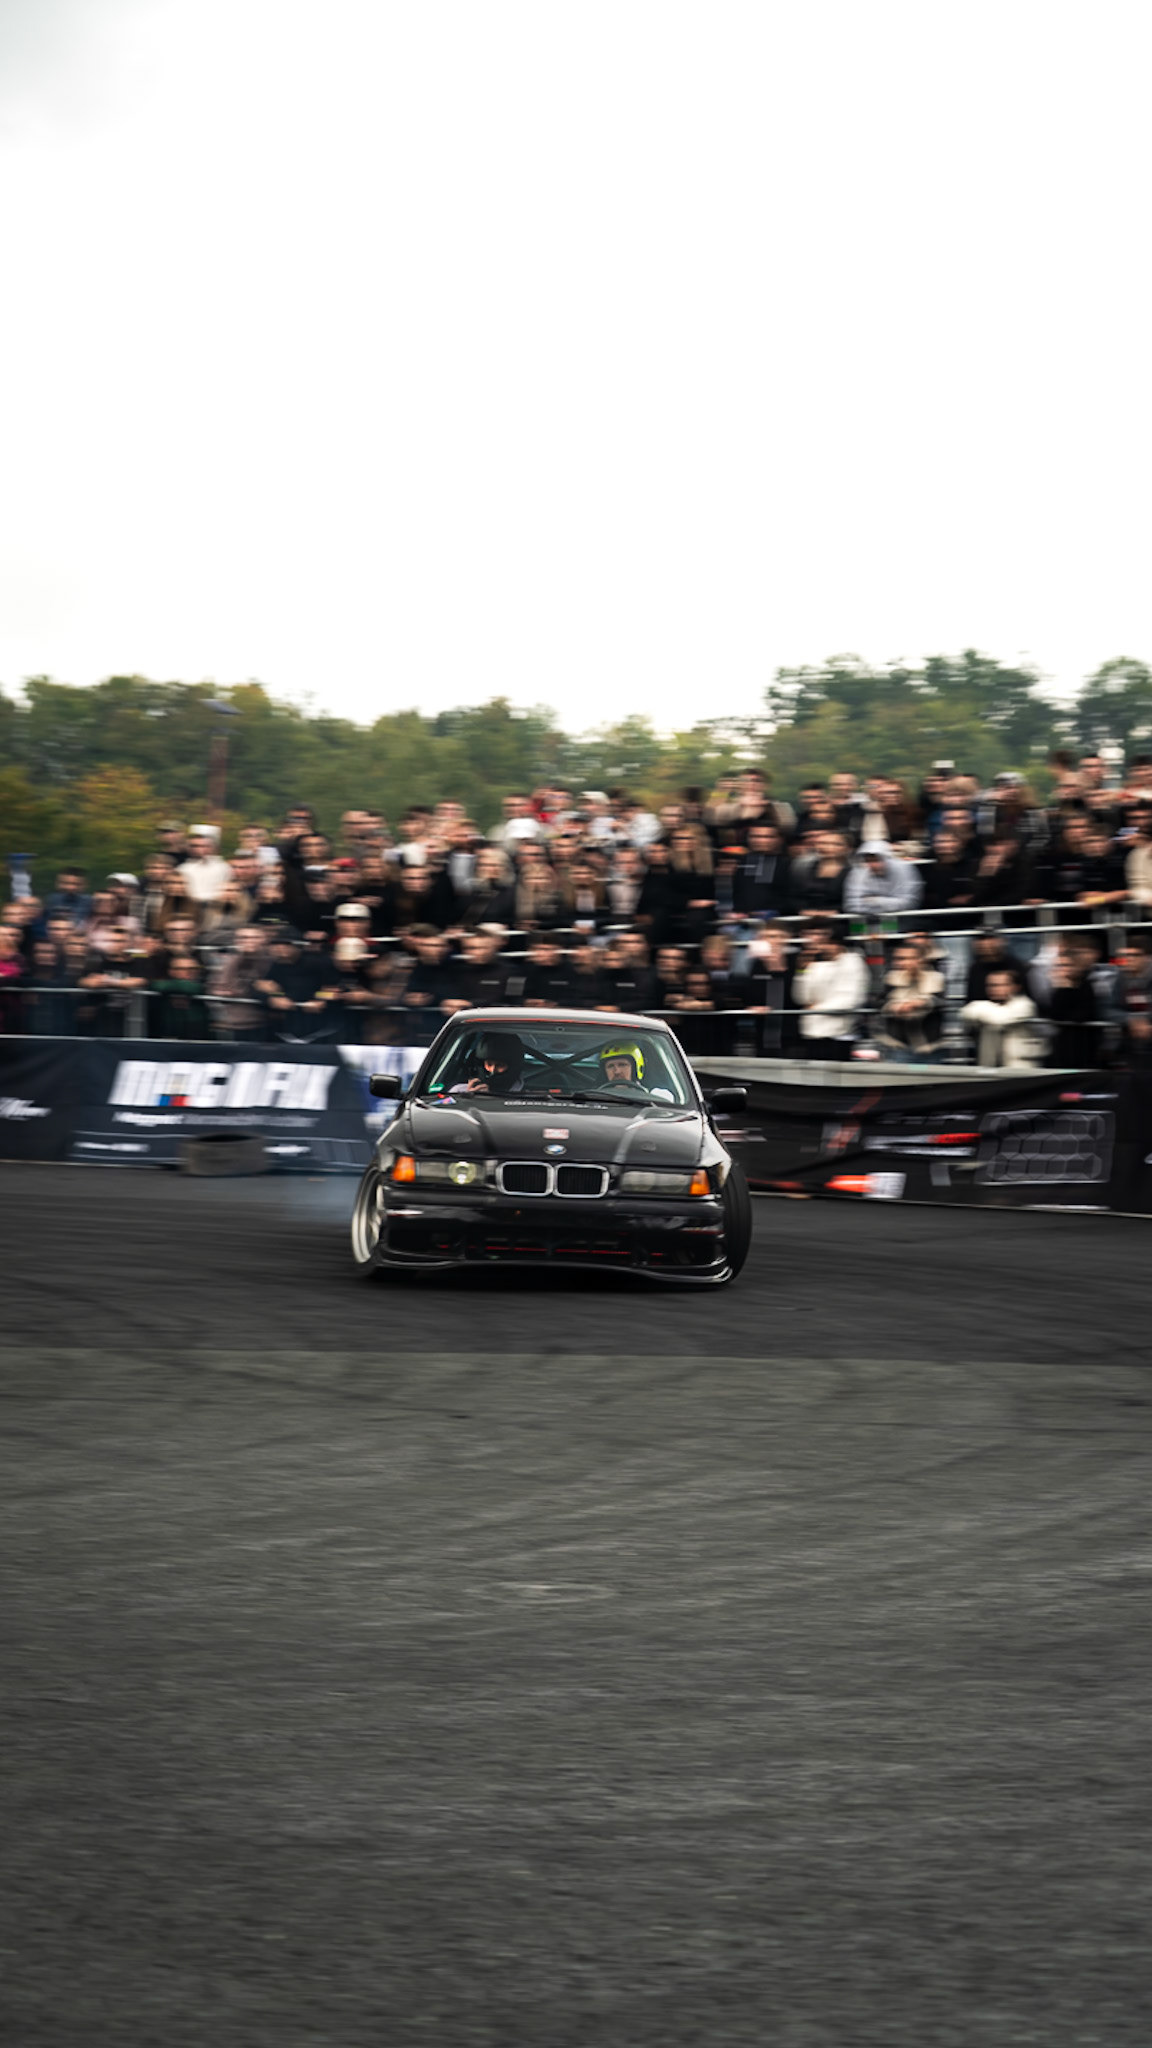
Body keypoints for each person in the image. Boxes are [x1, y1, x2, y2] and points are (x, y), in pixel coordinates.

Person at [791, 918, 870, 1060]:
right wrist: (802, 971)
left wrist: (815, 1009)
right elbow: (802, 998)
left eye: (827, 942)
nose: (823, 946)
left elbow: (850, 1000)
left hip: (839, 1034)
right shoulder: (815, 964)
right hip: (812, 1032)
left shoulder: (853, 961)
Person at [960, 967, 1045, 1068]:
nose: (995, 989)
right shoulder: (987, 1007)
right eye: (991, 985)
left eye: (1002, 985)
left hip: (1020, 1068)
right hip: (990, 1066)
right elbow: (965, 1013)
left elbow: (1000, 1019)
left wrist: (979, 1008)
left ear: (1016, 987)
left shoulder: (1025, 1005)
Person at [843, 842, 924, 919]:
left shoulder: (904, 869)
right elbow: (851, 905)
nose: (872, 865)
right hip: (865, 920)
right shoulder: (859, 872)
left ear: (886, 859)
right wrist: (890, 903)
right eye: (868, 861)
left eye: (876, 860)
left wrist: (875, 901)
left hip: (900, 919)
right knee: (856, 925)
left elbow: (910, 902)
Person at [455, 1031, 526, 1095]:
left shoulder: (526, 1096)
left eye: (500, 1065)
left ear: (512, 1066)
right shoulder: (458, 1091)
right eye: (489, 1064)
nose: (493, 1070)